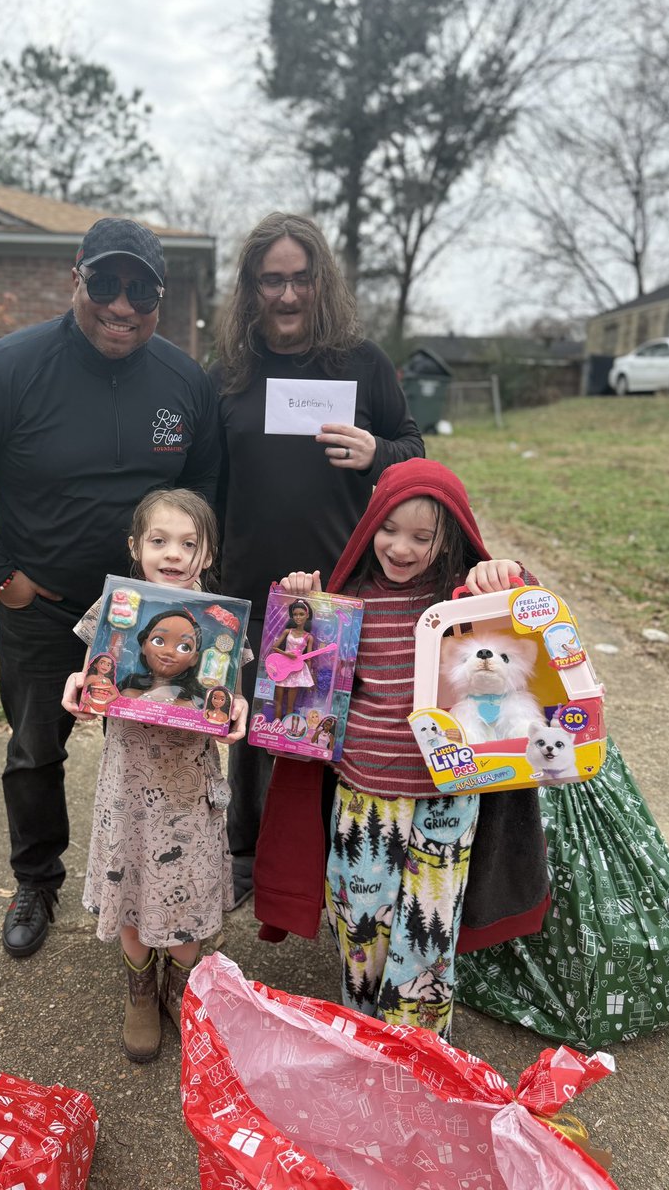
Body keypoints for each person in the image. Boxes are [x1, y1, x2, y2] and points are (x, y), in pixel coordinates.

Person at [0, 217, 220, 959]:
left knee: (160, 762)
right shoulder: (4, 371)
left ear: (159, 296)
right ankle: (35, 880)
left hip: (153, 618)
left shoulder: (184, 381)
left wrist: (195, 581)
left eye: (139, 289)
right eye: (105, 283)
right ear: (75, 279)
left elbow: (207, 487)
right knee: (35, 751)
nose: (122, 304)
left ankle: (154, 888)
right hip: (44, 611)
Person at [254, 458, 550, 1039]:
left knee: (429, 938)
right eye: (390, 530)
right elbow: (294, 673)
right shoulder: (347, 600)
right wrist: (300, 604)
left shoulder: (465, 600)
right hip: (364, 796)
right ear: (369, 527)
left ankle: (417, 1049)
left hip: (448, 801)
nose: (403, 547)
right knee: (362, 924)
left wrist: (511, 576)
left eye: (424, 536)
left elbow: (531, 622)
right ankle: (363, 1033)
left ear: (451, 539)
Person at [212, 212, 425, 903]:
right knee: (253, 734)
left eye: (301, 278)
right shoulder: (231, 373)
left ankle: (338, 861)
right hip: (253, 584)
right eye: (271, 280)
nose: (287, 295)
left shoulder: (358, 363)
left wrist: (377, 452)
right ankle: (247, 858)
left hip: (344, 587)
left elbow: (414, 454)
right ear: (251, 287)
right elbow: (211, 480)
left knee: (340, 733)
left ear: (321, 282)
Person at [61, 488, 249, 1063]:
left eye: (189, 543)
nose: (174, 553)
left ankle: (179, 987)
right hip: (129, 782)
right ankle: (141, 991)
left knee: (188, 888)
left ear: (208, 552)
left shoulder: (221, 622)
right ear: (134, 546)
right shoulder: (115, 608)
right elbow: (94, 674)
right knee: (134, 878)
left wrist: (237, 711)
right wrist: (76, 690)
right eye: (159, 540)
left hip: (191, 785)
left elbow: (228, 693)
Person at [117, 608, 205, 705]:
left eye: (184, 647)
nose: (169, 651)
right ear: (144, 645)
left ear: (194, 658)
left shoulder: (188, 707)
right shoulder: (128, 695)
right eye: (158, 641)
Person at [270, 598, 315, 719]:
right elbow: (274, 647)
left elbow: (309, 658)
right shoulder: (287, 631)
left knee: (290, 704)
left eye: (301, 614)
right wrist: (287, 654)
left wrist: (309, 676)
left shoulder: (308, 637)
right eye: (295, 614)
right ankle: (276, 725)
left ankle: (286, 727)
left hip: (296, 670)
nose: (298, 617)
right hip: (282, 667)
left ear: (307, 615)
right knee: (278, 701)